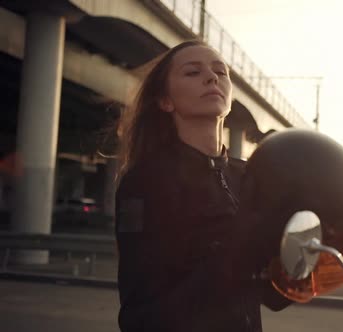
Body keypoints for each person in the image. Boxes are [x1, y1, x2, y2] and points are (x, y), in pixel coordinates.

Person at [114, 40, 289, 332]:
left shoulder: (248, 175)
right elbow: (142, 310)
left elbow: (270, 296)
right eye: (193, 73)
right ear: (165, 101)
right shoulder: (146, 181)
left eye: (221, 71)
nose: (212, 77)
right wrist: (243, 244)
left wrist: (300, 262)